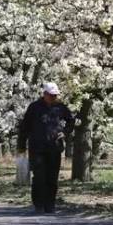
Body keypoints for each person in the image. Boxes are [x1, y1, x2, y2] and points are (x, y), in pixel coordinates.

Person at [17, 82, 75, 214]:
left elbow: (71, 121)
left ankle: (50, 204)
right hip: (37, 148)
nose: (54, 97)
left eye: (55, 95)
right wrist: (21, 145)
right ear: (44, 94)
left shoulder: (60, 107)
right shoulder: (34, 107)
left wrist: (64, 132)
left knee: (52, 178)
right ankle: (38, 204)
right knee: (39, 177)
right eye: (51, 95)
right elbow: (24, 126)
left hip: (54, 147)